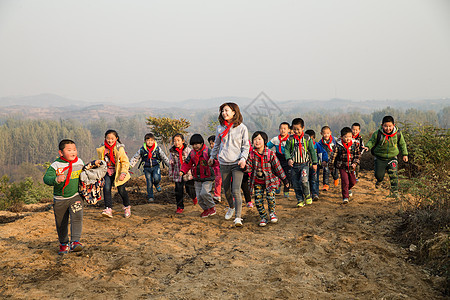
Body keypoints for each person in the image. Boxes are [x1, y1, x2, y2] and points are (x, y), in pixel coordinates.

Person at [209, 102, 250, 227]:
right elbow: (216, 144)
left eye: (227, 110)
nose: (224, 113)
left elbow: (246, 146)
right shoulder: (220, 128)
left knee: (235, 190)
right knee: (226, 190)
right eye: (222, 111)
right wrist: (212, 156)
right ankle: (231, 207)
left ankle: (238, 217)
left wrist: (243, 159)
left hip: (237, 162)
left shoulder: (242, 128)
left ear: (234, 112)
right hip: (224, 162)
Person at [43, 139, 85, 255]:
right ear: (61, 153)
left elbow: (85, 174)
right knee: (61, 222)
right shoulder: (56, 165)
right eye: (69, 150)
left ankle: (75, 242)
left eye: (75, 150)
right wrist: (56, 179)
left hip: (76, 196)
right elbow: (46, 179)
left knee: (77, 217)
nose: (73, 152)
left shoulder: (79, 162)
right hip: (60, 199)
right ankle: (64, 244)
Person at [245, 131, 288, 227]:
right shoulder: (251, 154)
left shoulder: (270, 154)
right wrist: (244, 167)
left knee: (270, 197)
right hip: (257, 181)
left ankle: (272, 213)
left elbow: (278, 167)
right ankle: (263, 217)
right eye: (255, 139)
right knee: (258, 200)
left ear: (265, 141)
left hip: (270, 180)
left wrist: (284, 180)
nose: (257, 142)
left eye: (259, 139)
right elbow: (249, 167)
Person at [365, 116, 408, 197]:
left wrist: (405, 154)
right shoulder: (377, 133)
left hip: (392, 157)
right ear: (382, 125)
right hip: (380, 158)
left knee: (393, 174)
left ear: (393, 125)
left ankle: (394, 191)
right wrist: (367, 147)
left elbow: (402, 144)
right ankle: (379, 181)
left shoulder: (398, 134)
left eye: (390, 126)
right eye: (385, 126)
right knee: (379, 175)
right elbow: (371, 141)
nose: (388, 128)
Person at [96, 130, 132, 218]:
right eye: (108, 138)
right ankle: (108, 208)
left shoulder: (120, 149)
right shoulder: (102, 149)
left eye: (112, 139)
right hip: (107, 172)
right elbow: (101, 161)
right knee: (106, 188)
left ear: (116, 138)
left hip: (118, 172)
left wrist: (123, 173)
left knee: (121, 190)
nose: (110, 141)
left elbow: (125, 162)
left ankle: (127, 207)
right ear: (105, 138)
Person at [180, 134, 217, 218]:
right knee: (199, 197)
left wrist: (213, 162)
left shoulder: (208, 151)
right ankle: (206, 209)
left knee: (204, 193)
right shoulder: (192, 153)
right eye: (193, 144)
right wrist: (183, 171)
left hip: (208, 177)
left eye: (197, 144)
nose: (195, 146)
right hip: (197, 178)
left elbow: (215, 160)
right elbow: (187, 163)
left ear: (201, 143)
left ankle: (212, 207)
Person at [285, 118, 318, 207]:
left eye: (298, 129)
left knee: (304, 180)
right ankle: (300, 199)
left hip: (304, 164)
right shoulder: (290, 139)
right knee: (295, 184)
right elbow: (287, 150)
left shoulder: (307, 138)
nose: (296, 131)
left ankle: (307, 195)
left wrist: (315, 163)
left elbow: (312, 150)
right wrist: (288, 159)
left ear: (303, 128)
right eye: (294, 129)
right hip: (294, 165)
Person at [130, 133, 169, 202]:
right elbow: (136, 158)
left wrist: (169, 165)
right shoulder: (142, 150)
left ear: (154, 141)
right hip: (146, 168)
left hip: (156, 166)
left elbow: (163, 157)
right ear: (145, 141)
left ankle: (157, 184)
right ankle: (150, 197)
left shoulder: (157, 149)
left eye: (151, 140)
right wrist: (130, 165)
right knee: (149, 182)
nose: (150, 142)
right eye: (148, 140)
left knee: (157, 178)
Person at [328, 127, 361, 204]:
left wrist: (355, 163)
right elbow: (333, 156)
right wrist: (331, 165)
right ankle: (345, 197)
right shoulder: (338, 145)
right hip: (342, 166)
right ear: (341, 137)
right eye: (345, 137)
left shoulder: (354, 144)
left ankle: (347, 189)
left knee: (353, 182)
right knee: (345, 181)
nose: (348, 138)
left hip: (352, 167)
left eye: (349, 136)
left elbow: (358, 155)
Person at [169, 133, 197, 214]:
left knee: (190, 189)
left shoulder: (188, 150)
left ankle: (194, 197)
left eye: (178, 140)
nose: (176, 143)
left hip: (188, 174)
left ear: (183, 141)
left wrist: (194, 172)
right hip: (177, 174)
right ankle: (180, 207)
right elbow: (171, 164)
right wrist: (171, 175)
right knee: (178, 191)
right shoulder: (172, 152)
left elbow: (193, 161)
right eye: (174, 141)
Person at [267, 122, 292, 198]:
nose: (283, 130)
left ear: (289, 130)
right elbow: (267, 146)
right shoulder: (275, 139)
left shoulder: (290, 139)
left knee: (287, 175)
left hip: (287, 158)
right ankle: (277, 186)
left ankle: (286, 190)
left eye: (285, 129)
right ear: (279, 129)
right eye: (281, 128)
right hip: (278, 158)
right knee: (277, 173)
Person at [305, 129, 328, 201]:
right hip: (305, 166)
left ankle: (315, 194)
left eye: (311, 139)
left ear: (314, 138)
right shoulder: (303, 145)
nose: (310, 141)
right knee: (307, 180)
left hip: (315, 166)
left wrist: (324, 160)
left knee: (315, 180)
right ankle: (308, 193)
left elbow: (324, 153)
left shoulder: (317, 145)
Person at [318, 126, 339, 190]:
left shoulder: (335, 140)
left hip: (334, 158)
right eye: (324, 133)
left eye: (328, 133)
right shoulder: (320, 143)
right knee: (326, 170)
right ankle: (326, 184)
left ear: (330, 133)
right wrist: (322, 160)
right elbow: (320, 152)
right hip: (326, 159)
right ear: (321, 133)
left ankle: (336, 178)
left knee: (334, 171)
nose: (326, 135)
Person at [208, 135, 222, 202]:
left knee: (219, 181)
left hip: (221, 169)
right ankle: (217, 195)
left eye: (212, 143)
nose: (211, 145)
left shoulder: (221, 151)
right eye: (210, 143)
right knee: (217, 181)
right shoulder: (211, 153)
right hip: (215, 170)